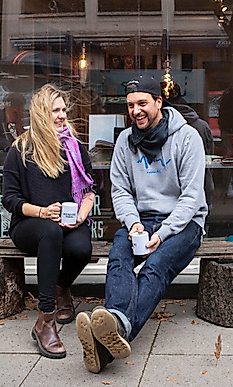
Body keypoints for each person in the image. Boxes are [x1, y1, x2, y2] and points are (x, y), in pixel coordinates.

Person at [74, 74, 208, 374]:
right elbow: (120, 190)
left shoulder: (187, 137)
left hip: (185, 223)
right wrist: (133, 223)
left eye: (143, 103)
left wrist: (163, 232)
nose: (136, 111)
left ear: (159, 102)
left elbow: (191, 197)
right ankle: (113, 329)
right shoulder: (125, 141)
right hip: (142, 220)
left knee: (155, 267)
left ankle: (114, 330)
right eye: (131, 105)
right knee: (118, 258)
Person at [1, 84, 97, 359]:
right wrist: (43, 212)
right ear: (41, 113)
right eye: (55, 110)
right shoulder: (21, 149)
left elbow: (90, 190)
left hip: (68, 221)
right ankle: (45, 320)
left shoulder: (75, 147)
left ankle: (61, 286)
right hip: (30, 224)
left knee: (81, 249)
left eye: (64, 110)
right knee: (50, 232)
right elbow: (10, 199)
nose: (62, 115)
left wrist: (82, 214)